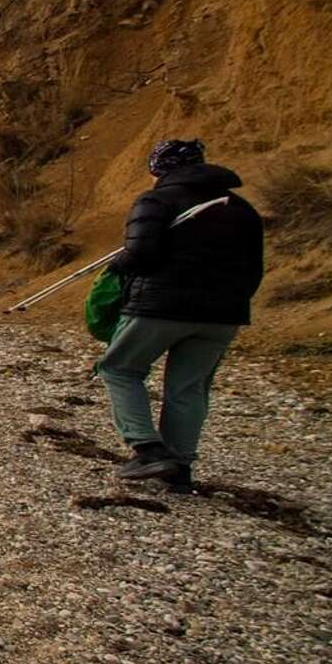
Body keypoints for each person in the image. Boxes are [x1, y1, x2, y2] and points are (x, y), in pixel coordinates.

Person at [96, 139, 264, 493]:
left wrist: (117, 265)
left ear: (160, 169)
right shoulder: (243, 209)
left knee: (119, 368)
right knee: (188, 387)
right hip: (224, 313)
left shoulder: (156, 201)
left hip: (160, 306)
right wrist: (232, 302)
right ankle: (180, 466)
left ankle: (148, 448)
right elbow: (255, 269)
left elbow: (142, 253)